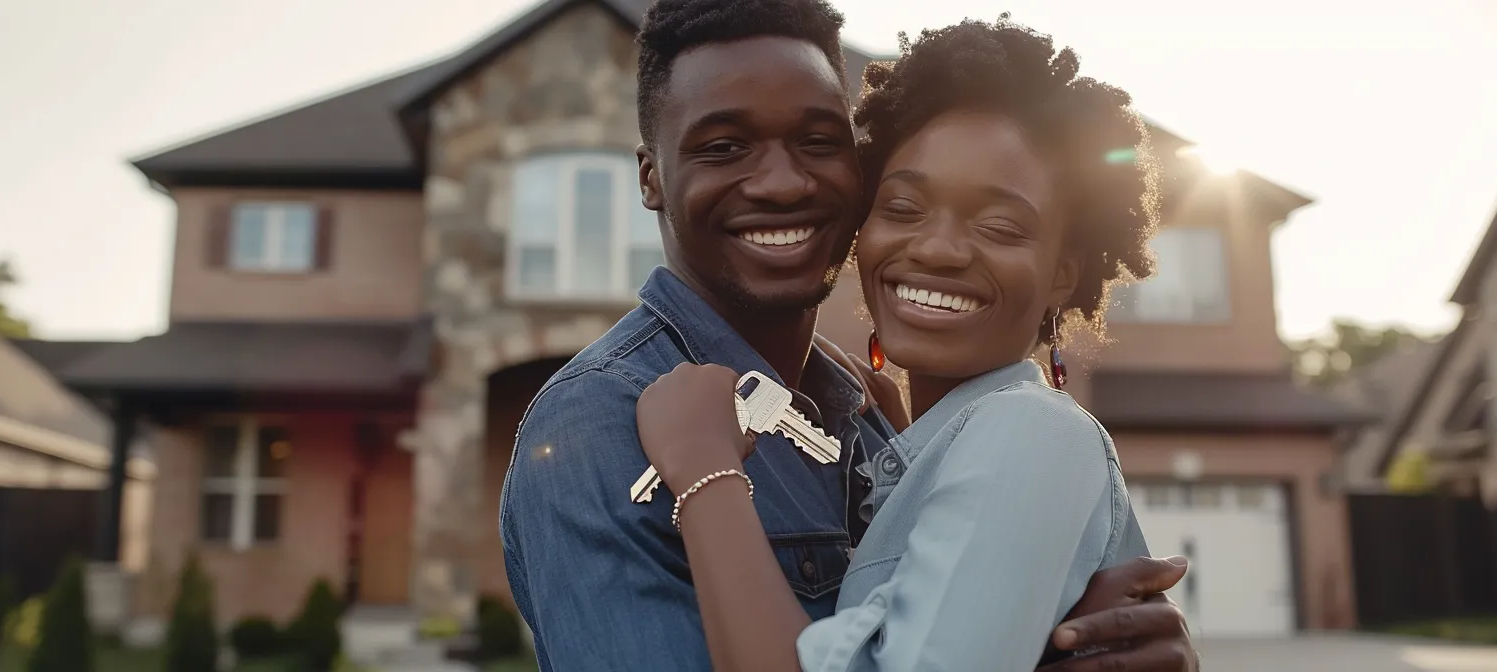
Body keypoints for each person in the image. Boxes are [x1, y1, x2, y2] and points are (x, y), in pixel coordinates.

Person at [500, 0, 1198, 669]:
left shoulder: (870, 429)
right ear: (652, 176)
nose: (780, 183)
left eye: (817, 142)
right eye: (724, 146)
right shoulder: (604, 421)